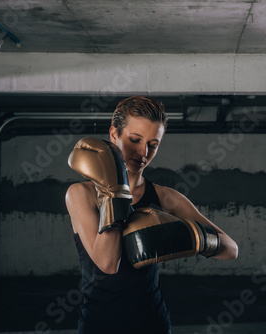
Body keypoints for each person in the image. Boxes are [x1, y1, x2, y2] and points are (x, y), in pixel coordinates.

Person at [65, 95, 238, 333]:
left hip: (152, 323)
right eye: (135, 140)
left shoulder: (165, 198)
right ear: (114, 134)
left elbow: (231, 249)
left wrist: (189, 236)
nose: (143, 152)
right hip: (99, 323)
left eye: (153, 144)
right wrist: (114, 192)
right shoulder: (80, 194)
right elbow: (107, 263)